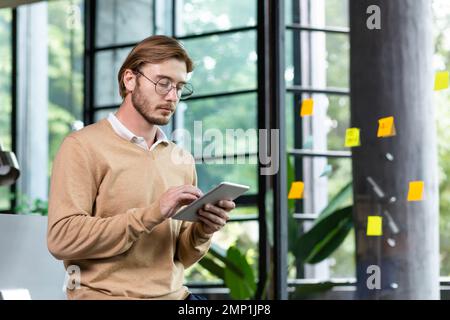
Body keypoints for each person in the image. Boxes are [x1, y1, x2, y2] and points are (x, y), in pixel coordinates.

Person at [47, 35, 235, 300]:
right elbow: (61, 240)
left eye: (180, 87)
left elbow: (181, 256)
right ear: (130, 79)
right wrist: (153, 213)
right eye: (163, 83)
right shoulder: (81, 146)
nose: (172, 96)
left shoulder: (180, 158)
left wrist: (203, 230)